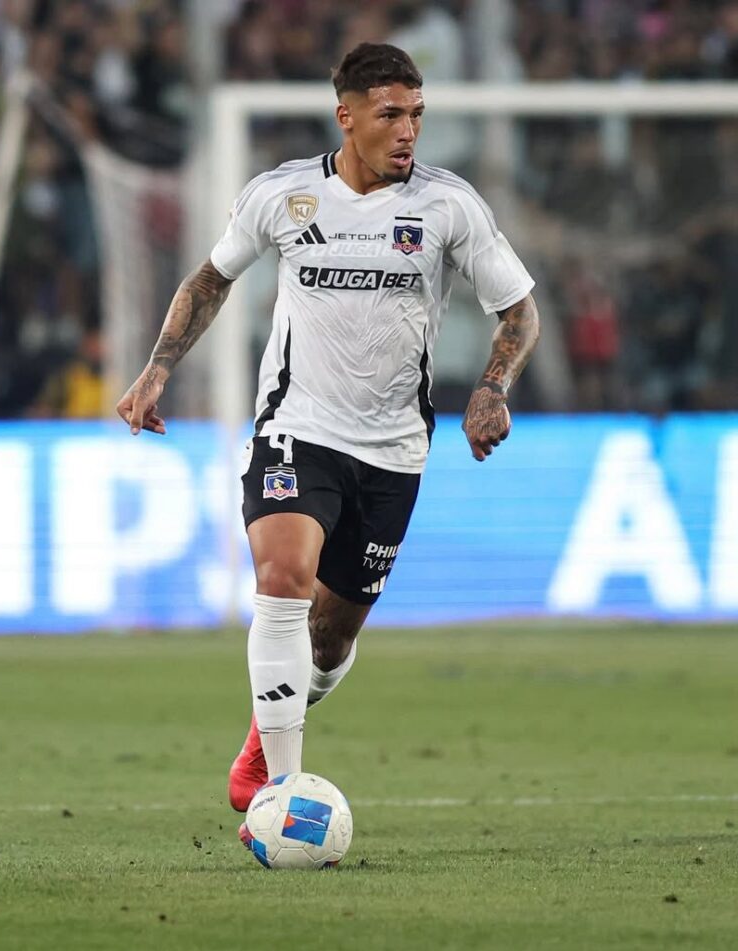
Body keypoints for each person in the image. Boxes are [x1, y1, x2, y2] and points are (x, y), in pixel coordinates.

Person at [116, 43, 539, 831]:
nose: (408, 131)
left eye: (417, 114)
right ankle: (280, 790)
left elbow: (518, 309)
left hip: (393, 449)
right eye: (390, 114)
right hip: (296, 426)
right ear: (346, 116)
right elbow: (210, 279)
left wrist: (492, 387)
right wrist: (156, 369)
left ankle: (263, 736)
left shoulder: (449, 206)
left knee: (331, 637)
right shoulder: (282, 194)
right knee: (283, 577)